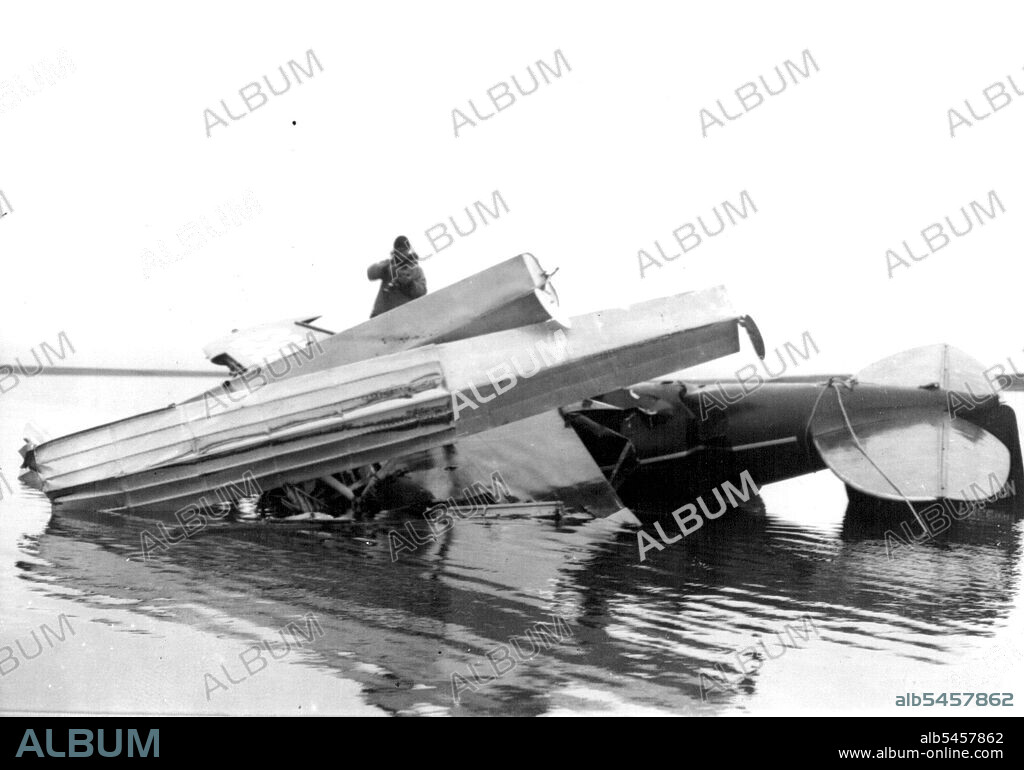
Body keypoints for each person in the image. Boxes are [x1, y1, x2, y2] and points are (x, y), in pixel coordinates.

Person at [367, 236, 427, 318]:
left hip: (403, 316)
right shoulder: (388, 264)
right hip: (381, 313)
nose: (401, 253)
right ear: (395, 250)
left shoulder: (416, 270)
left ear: (408, 250)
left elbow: (422, 291)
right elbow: (370, 273)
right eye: (399, 250)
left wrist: (409, 284)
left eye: (404, 250)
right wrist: (385, 268)